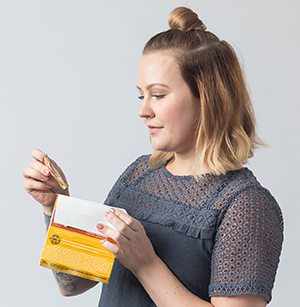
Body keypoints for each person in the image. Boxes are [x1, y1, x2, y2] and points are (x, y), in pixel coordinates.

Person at [22, 7, 283, 307]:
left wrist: (146, 265)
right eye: (140, 95)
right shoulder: (139, 175)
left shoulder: (245, 204)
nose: (143, 110)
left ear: (208, 98)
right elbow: (73, 283)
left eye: (158, 95)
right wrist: (56, 204)